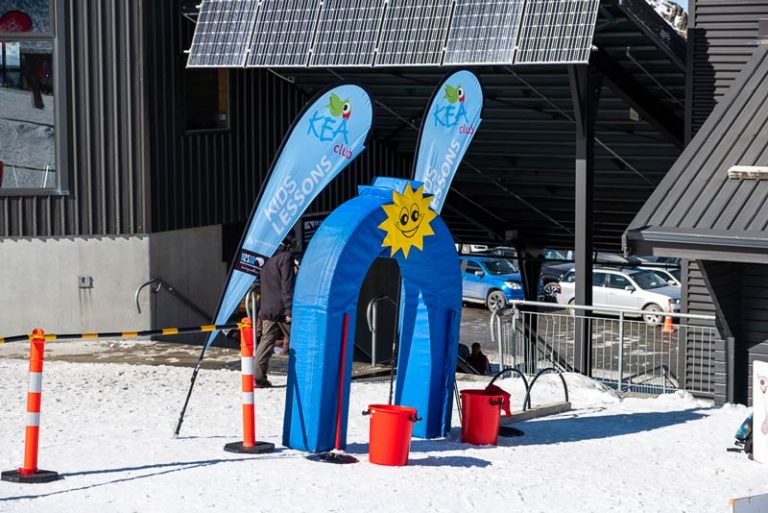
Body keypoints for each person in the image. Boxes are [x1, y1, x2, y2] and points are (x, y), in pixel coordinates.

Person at [253, 236, 296, 388]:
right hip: (282, 309)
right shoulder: (286, 257)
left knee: (266, 341)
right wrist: (289, 309)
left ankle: (258, 377)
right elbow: (287, 286)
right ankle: (305, 375)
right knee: (298, 341)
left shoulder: (266, 258)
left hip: (266, 308)